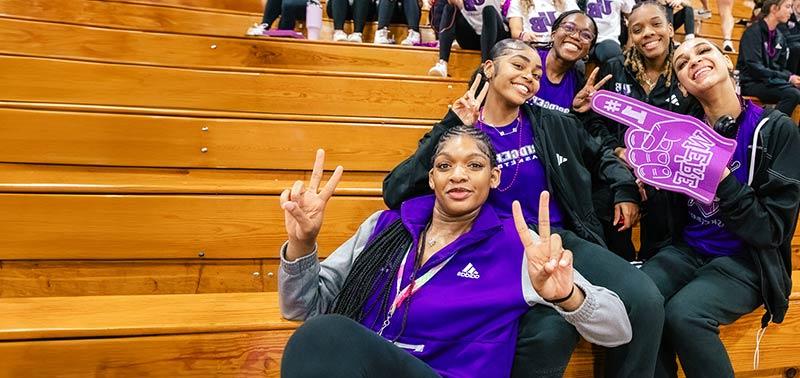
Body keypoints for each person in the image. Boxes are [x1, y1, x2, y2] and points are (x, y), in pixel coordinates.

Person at [384, 38, 664, 377]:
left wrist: (624, 191)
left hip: (556, 240)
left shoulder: (553, 123)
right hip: (493, 248)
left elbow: (602, 155)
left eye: (535, 74)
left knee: (646, 300)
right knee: (552, 333)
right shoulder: (458, 134)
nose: (529, 78)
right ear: (489, 68)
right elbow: (395, 191)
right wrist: (450, 124)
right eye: (518, 66)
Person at [279, 134, 632, 377]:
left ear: (493, 177)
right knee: (319, 336)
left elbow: (618, 329)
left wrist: (568, 296)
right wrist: (302, 244)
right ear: (432, 179)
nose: (458, 175)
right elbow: (301, 308)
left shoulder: (521, 244)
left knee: (323, 336)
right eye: (445, 166)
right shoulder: (384, 226)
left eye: (474, 165)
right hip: (370, 366)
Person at [643, 37, 800, 377]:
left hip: (749, 260)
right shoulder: (679, 133)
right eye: (681, 63)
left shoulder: (776, 130)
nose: (693, 62)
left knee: (684, 314)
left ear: (728, 62)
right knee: (638, 300)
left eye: (703, 51)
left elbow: (772, 230)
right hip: (689, 250)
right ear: (683, 86)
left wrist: (721, 178)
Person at [584, 1, 699, 261]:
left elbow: (692, 133)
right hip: (617, 164)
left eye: (656, 24)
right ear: (630, 35)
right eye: (638, 29)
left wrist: (649, 167)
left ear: (671, 29)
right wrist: (618, 150)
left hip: (667, 171)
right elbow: (595, 123)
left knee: (664, 203)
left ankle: (655, 264)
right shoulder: (615, 69)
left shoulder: (686, 74)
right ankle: (622, 264)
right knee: (603, 201)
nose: (647, 33)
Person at [527, 10, 613, 114]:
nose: (575, 36)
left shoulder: (579, 86)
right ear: (553, 35)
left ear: (588, 50)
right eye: (569, 28)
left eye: (586, 35)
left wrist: (576, 111)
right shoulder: (527, 58)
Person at [739, 0, 800, 116]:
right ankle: (770, 128)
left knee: (795, 91)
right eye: (787, 7)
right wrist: (788, 77)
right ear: (774, 9)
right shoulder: (753, 32)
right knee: (792, 94)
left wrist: (792, 77)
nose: (790, 11)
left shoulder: (779, 36)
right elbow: (754, 67)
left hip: (770, 81)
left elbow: (780, 67)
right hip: (752, 82)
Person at [427, 0, 509, 77]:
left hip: (494, 36)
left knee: (489, 10)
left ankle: (485, 66)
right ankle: (442, 63)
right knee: (450, 7)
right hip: (472, 35)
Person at [507, 0, 579, 45]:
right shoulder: (517, 2)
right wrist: (524, 35)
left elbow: (579, 20)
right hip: (532, 48)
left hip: (559, 47)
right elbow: (515, 31)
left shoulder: (567, 2)